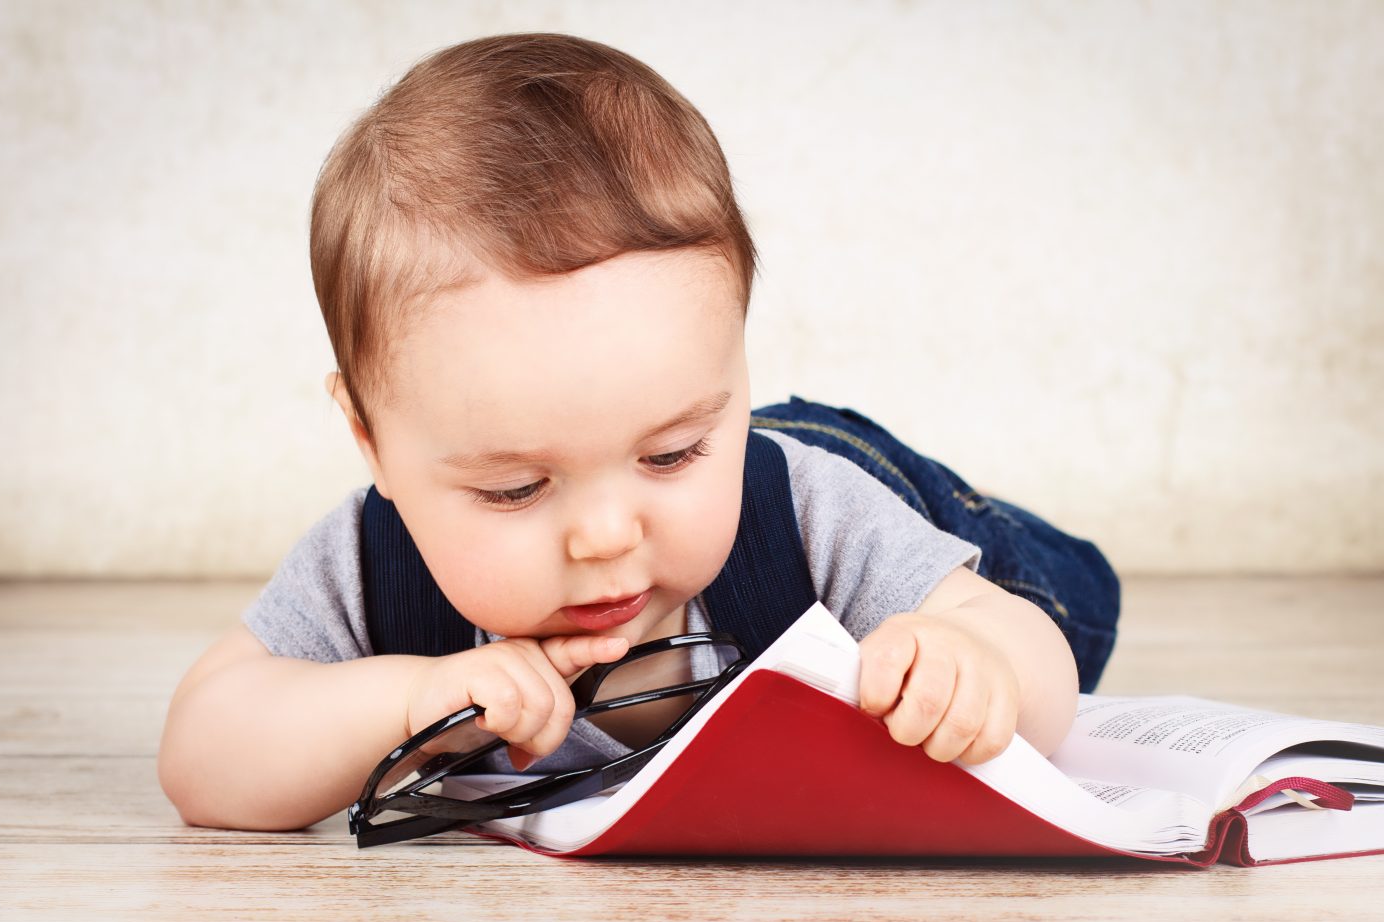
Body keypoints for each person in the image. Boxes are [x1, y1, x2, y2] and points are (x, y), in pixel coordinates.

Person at [158, 33, 1118, 832]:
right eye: (515, 488)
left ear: (735, 387)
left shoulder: (811, 515)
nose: (607, 534)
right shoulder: (374, 562)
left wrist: (976, 663)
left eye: (668, 452)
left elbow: (1039, 665)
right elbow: (203, 752)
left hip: (893, 490)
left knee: (1035, 593)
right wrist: (405, 700)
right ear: (374, 445)